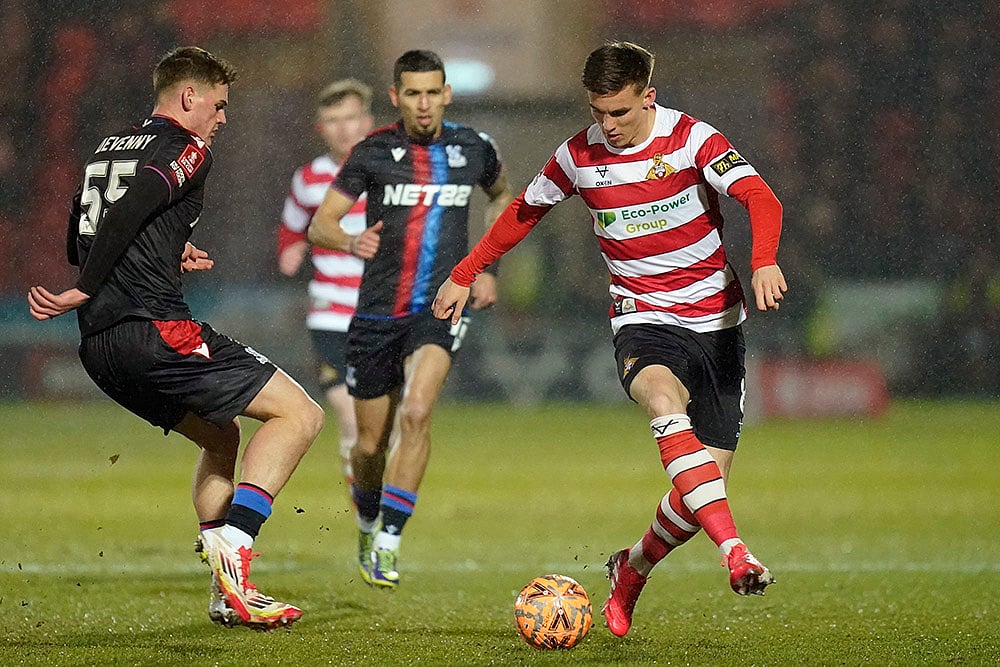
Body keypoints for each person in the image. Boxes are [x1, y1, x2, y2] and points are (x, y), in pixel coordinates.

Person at [433, 41, 785, 636]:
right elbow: (523, 210)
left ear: (649, 96)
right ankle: (738, 554)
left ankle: (633, 567)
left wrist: (765, 259)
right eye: (599, 112)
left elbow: (759, 196)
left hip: (718, 324)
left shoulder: (693, 140)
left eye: (620, 112)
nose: (608, 126)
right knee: (663, 404)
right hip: (643, 318)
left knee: (701, 488)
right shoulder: (577, 156)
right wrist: (466, 272)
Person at [27, 46, 324, 630]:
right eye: (218, 105)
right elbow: (135, 205)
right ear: (189, 97)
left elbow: (81, 231)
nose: (222, 119)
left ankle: (225, 593)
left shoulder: (105, 149)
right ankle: (236, 544)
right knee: (300, 416)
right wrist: (84, 287)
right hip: (154, 328)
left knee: (220, 439)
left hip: (101, 348)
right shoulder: (187, 147)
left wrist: (161, 252)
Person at [308, 49, 513, 588]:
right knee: (368, 446)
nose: (424, 104)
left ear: (447, 93)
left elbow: (502, 196)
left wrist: (485, 265)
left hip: (440, 305)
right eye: (413, 94)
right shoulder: (372, 152)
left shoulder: (475, 148)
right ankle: (369, 519)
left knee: (417, 412)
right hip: (377, 312)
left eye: (433, 92)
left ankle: (391, 542)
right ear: (396, 98)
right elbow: (321, 225)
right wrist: (351, 238)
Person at [278, 79, 374, 489]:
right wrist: (291, 249)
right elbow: (291, 227)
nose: (343, 128)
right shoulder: (310, 179)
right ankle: (364, 502)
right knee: (350, 416)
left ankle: (373, 484)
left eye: (350, 118)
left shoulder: (389, 172)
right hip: (331, 313)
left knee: (383, 422)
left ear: (367, 121)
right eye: (332, 121)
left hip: (382, 312)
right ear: (321, 128)